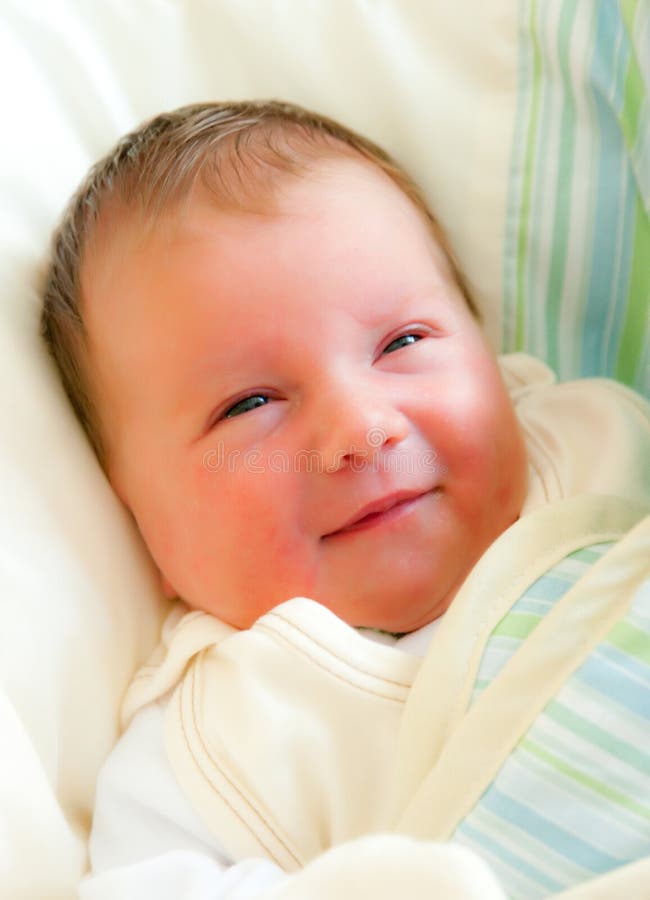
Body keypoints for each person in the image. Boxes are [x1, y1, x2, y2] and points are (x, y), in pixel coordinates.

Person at [41, 100, 650, 899]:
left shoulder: (597, 435)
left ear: (491, 354)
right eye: (250, 404)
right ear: (141, 524)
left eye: (403, 343)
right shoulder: (221, 742)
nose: (361, 430)